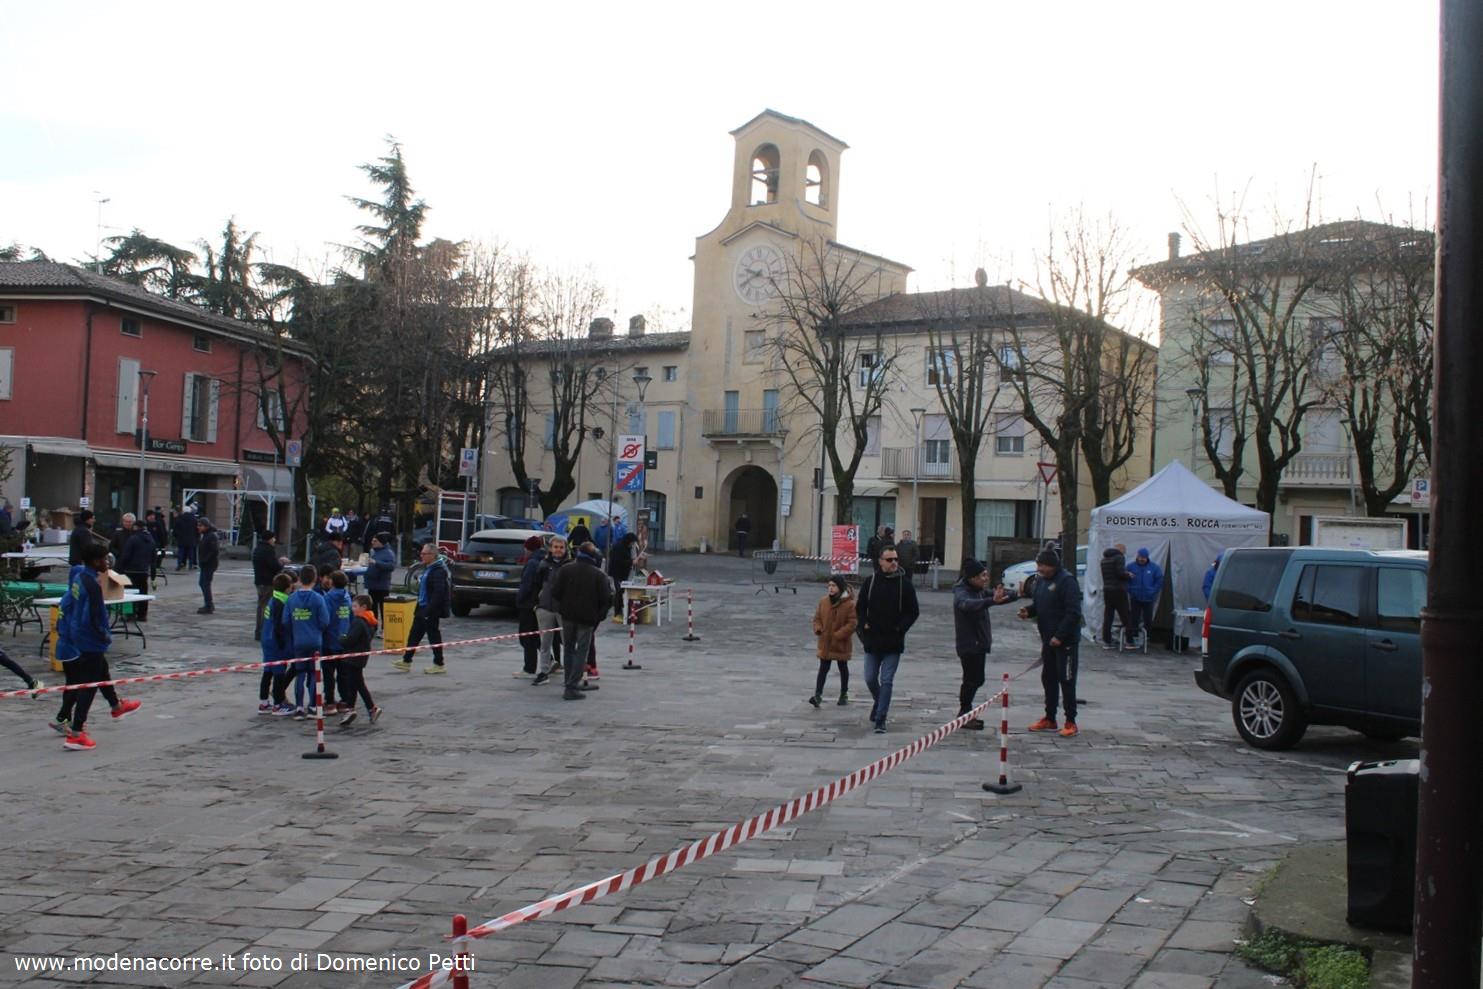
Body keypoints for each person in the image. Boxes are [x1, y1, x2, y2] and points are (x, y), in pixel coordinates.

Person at [52, 543, 141, 750]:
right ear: (95, 561)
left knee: (102, 670)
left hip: (79, 635)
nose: (107, 563)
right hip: (90, 639)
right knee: (89, 685)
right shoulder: (92, 586)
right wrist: (103, 634)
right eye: (104, 559)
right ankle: (76, 732)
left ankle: (116, 706)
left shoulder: (79, 577)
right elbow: (92, 617)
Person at [1018, 548, 1084, 738]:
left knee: (1067, 679)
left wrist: (1060, 636)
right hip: (1048, 640)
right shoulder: (1040, 581)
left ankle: (1071, 721)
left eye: (1043, 565)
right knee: (1048, 678)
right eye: (1038, 565)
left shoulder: (1067, 581)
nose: (1039, 569)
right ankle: (1050, 718)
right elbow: (1040, 605)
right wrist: (1029, 611)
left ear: (1053, 565)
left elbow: (1074, 613)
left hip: (1065, 642)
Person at [856, 541, 920, 734]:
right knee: (869, 678)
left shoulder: (904, 584)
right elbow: (860, 606)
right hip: (873, 639)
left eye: (896, 559)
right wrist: (863, 623)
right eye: (889, 559)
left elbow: (913, 611)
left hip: (893, 641)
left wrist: (900, 628)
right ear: (880, 561)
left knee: (887, 680)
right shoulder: (871, 582)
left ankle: (881, 718)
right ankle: (879, 702)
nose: (893, 563)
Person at [549, 541, 610, 700]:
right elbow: (606, 599)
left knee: (569, 649)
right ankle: (572, 686)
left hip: (568, 616)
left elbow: (555, 592)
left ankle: (569, 682)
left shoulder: (566, 570)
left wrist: (563, 606)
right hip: (587, 618)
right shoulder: (598, 574)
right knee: (582, 651)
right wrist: (599, 616)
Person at [952, 558, 998, 730]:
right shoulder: (962, 592)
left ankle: (966, 713)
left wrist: (1018, 594)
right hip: (969, 644)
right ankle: (964, 713)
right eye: (983, 575)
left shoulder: (979, 590)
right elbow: (967, 605)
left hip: (979, 643)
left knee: (976, 679)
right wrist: (991, 601)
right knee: (972, 679)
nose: (986, 578)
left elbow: (995, 596)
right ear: (972, 578)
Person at [391, 543, 450, 674]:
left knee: (433, 636)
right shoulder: (428, 568)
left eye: (424, 554)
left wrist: (430, 609)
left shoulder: (438, 570)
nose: (421, 556)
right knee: (414, 634)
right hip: (422, 606)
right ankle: (406, 660)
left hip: (430, 609)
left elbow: (438, 593)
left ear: (432, 555)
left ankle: (439, 664)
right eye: (421, 553)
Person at [282, 564, 329, 717]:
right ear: (315, 579)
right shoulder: (318, 598)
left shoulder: (291, 599)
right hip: (315, 640)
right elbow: (325, 621)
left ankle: (299, 707)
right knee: (314, 673)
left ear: (300, 579)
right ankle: (313, 705)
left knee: (300, 673)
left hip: (299, 641)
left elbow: (285, 621)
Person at [809, 575, 856, 708]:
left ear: (840, 587)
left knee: (843, 667)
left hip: (841, 643)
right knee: (823, 668)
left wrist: (839, 635)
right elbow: (817, 618)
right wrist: (818, 629)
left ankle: (844, 694)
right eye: (829, 585)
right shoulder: (823, 601)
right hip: (826, 642)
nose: (830, 588)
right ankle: (817, 695)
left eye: (833, 586)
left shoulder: (849, 604)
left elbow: (852, 623)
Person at [336, 594, 383, 726]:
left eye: (355, 606)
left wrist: (341, 638)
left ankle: (370, 708)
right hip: (361, 657)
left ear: (363, 607)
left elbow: (350, 639)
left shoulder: (358, 621)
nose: (352, 609)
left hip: (353, 656)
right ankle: (352, 709)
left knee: (357, 684)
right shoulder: (370, 621)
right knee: (354, 683)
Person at [531, 535, 569, 686]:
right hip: (545, 607)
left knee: (568, 642)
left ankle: (570, 673)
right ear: (550, 548)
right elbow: (536, 585)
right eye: (555, 547)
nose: (558, 550)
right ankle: (544, 671)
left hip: (564, 609)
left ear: (565, 549)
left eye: (561, 547)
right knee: (545, 642)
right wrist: (536, 604)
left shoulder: (570, 565)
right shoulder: (544, 564)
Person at [259, 572, 293, 715]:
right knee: (279, 674)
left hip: (267, 639)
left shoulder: (273, 599)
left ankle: (263, 702)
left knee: (267, 672)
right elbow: (280, 626)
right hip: (275, 643)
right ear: (287, 588)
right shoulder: (281, 603)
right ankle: (278, 705)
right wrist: (282, 644)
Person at [513, 535, 547, 676]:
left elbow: (527, 585)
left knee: (526, 637)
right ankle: (550, 661)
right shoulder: (542, 559)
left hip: (528, 604)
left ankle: (529, 668)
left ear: (529, 548)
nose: (524, 551)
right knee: (534, 636)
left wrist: (519, 599)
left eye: (525, 548)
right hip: (536, 603)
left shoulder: (532, 563)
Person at [322, 571, 352, 713]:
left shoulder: (327, 598)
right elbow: (351, 617)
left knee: (328, 674)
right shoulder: (347, 597)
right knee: (343, 673)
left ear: (332, 582)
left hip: (330, 639)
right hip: (344, 639)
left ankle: (329, 702)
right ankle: (345, 700)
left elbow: (325, 619)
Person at [116, 518, 156, 621]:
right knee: (143, 593)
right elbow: (153, 558)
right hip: (144, 571)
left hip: (131, 570)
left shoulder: (133, 539)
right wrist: (153, 575)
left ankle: (130, 613)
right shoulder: (151, 539)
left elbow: (126, 555)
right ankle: (142, 614)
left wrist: (121, 567)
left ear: (136, 527)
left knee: (129, 593)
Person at [1099, 542, 1135, 648]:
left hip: (1107, 590)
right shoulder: (1119, 557)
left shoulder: (1104, 559)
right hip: (1119, 590)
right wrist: (1129, 575)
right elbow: (1120, 573)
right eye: (1124, 550)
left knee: (1108, 616)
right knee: (1125, 616)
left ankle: (1107, 641)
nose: (1125, 552)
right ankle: (1130, 641)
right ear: (1121, 550)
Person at [252, 530, 286, 641]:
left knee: (260, 606)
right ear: (269, 539)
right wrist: (281, 563)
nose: (274, 540)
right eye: (273, 538)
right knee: (265, 607)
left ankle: (258, 631)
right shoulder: (268, 550)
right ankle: (262, 631)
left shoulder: (258, 548)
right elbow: (274, 566)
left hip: (259, 581)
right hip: (267, 582)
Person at [1127, 547, 1164, 642]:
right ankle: (1134, 636)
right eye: (1140, 557)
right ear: (1137, 556)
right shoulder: (1131, 567)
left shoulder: (1154, 567)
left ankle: (1147, 637)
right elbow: (1125, 579)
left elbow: (1159, 580)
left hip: (1148, 598)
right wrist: (1130, 590)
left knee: (1148, 619)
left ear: (1147, 557)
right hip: (1135, 597)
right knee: (1134, 618)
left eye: (1143, 557)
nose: (1141, 559)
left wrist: (1153, 591)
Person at [364, 533, 397, 623]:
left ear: (381, 542)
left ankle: (384, 627)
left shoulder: (388, 553)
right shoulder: (373, 551)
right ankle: (373, 626)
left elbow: (391, 566)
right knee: (372, 608)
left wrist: (376, 562)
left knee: (383, 609)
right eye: (372, 540)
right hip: (371, 585)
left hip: (382, 586)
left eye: (375, 541)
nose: (372, 542)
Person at [607, 532, 639, 621]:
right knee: (619, 592)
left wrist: (633, 560)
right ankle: (617, 612)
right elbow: (619, 561)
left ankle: (621, 610)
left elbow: (626, 558)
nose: (632, 545)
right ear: (629, 541)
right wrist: (631, 562)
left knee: (621, 591)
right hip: (617, 573)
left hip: (623, 573)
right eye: (632, 543)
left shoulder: (626, 547)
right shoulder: (619, 547)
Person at [195, 517, 220, 614]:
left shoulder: (211, 536)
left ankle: (209, 605)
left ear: (206, 526)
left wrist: (205, 559)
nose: (198, 527)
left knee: (205, 583)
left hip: (209, 564)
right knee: (203, 583)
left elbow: (214, 550)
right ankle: (208, 604)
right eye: (198, 525)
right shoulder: (205, 535)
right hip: (205, 564)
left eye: (200, 526)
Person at [173, 505, 199, 570]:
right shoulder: (194, 519)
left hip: (181, 539)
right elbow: (197, 530)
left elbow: (175, 529)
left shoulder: (179, 518)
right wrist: (196, 537)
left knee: (181, 553)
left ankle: (179, 564)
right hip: (191, 539)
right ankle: (190, 565)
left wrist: (177, 537)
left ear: (183, 511)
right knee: (191, 553)